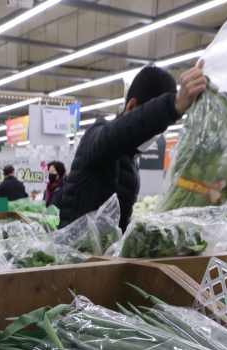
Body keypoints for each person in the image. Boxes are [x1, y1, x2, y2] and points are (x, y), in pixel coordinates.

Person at [59, 63, 205, 230]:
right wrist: (172, 106)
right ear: (131, 107)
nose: (153, 137)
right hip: (77, 253)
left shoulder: (130, 158)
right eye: (152, 130)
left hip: (103, 255)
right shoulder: (97, 135)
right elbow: (114, 137)